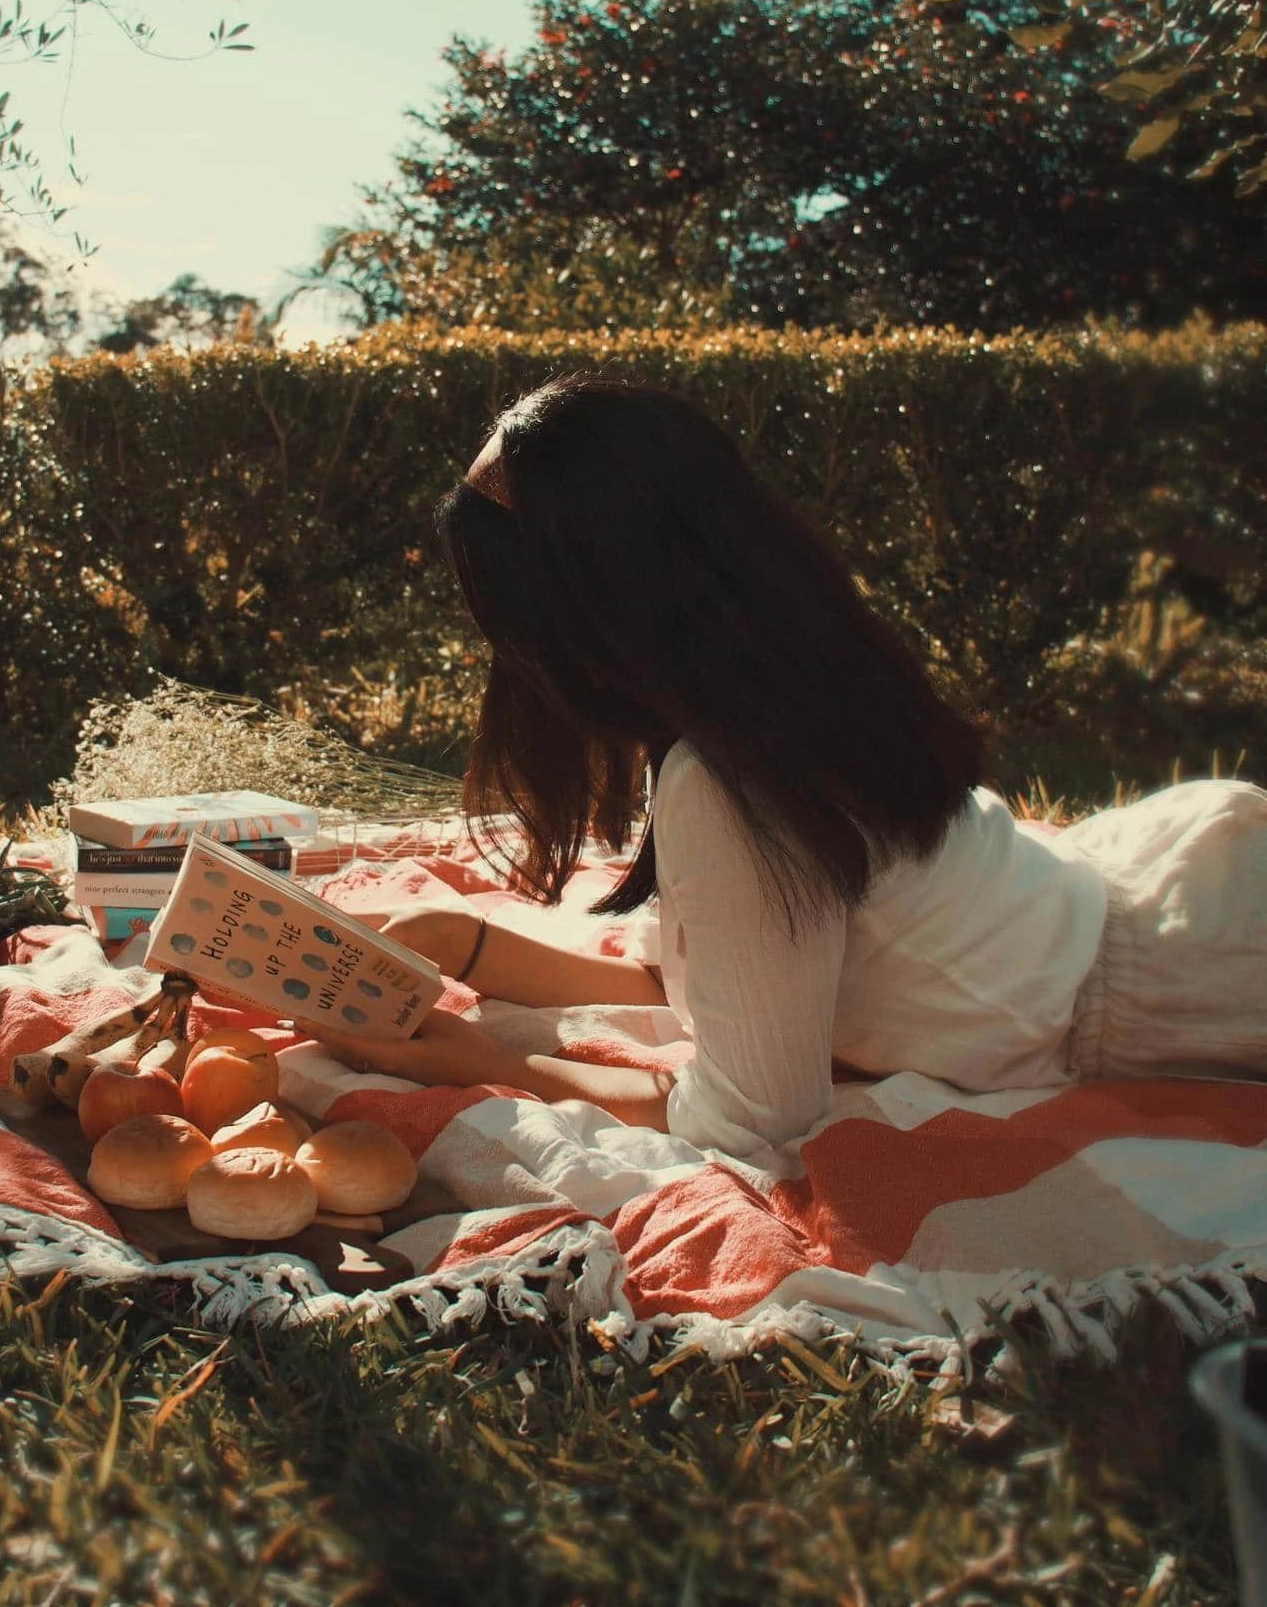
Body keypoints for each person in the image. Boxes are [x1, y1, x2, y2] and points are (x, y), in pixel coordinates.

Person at [303, 375, 1267, 1164]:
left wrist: (480, 1063)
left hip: (1194, 981)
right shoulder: (777, 688)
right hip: (1152, 909)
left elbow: (753, 1119)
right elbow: (739, 971)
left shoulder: (727, 784)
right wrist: (472, 944)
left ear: (571, 623)